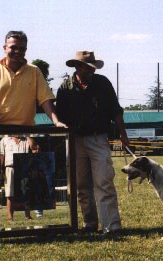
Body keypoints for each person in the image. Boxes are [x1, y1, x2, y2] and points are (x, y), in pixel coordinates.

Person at [56, 51, 129, 234]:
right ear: (77, 67)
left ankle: (112, 226)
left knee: (104, 181)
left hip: (99, 138)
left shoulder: (103, 83)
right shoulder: (65, 88)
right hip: (75, 141)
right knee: (81, 185)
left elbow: (116, 111)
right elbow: (60, 118)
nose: (92, 71)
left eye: (93, 68)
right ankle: (89, 224)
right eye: (88, 68)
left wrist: (123, 134)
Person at [0, 30, 66, 140]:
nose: (17, 51)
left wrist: (56, 122)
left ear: (26, 50)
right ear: (5, 48)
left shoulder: (34, 71)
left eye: (22, 49)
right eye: (13, 47)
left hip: (27, 131)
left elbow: (45, 99)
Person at [0, 136, 33, 221]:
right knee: (9, 194)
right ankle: (10, 217)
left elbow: (34, 147)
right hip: (10, 168)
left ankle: (28, 216)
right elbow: (2, 155)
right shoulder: (4, 139)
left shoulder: (26, 139)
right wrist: (1, 169)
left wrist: (27, 135)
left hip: (23, 168)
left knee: (26, 192)